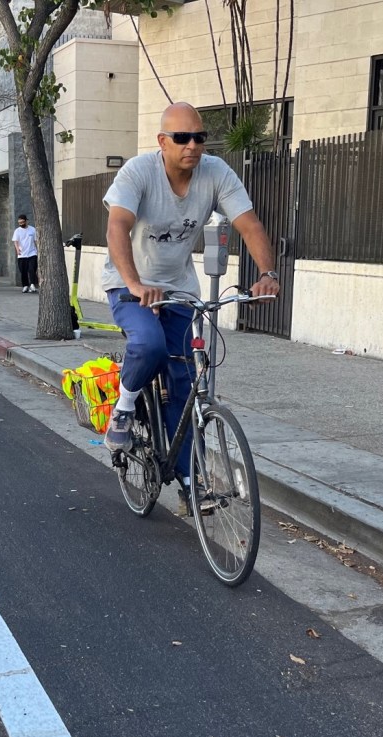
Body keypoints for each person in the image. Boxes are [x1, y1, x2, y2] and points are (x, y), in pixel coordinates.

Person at [101, 102, 280, 499]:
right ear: (162, 141)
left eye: (200, 137)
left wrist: (267, 274)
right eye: (182, 138)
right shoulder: (138, 172)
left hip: (179, 290)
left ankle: (188, 482)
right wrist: (132, 282)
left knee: (185, 383)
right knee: (148, 344)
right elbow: (117, 225)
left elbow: (249, 224)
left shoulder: (215, 172)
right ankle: (125, 409)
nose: (193, 145)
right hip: (129, 285)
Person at [12, 214, 38, 292]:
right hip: (22, 254)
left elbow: (36, 241)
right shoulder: (17, 231)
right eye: (20, 223)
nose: (21, 224)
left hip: (32, 253)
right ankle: (25, 285)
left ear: (26, 221)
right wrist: (17, 250)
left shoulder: (32, 230)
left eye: (23, 222)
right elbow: (15, 241)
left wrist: (38, 250)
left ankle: (32, 284)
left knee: (32, 269)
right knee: (23, 271)